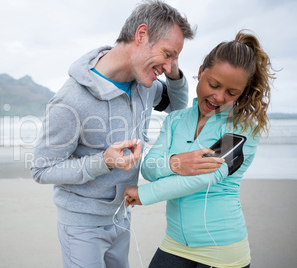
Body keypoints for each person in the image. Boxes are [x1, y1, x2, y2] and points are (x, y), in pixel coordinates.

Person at [31, 1, 198, 267]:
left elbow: (178, 108)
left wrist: (175, 71)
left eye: (174, 58)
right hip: (82, 226)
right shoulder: (70, 100)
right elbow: (41, 169)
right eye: (167, 54)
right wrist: (104, 161)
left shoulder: (146, 85)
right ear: (141, 35)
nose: (168, 67)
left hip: (122, 217)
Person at [124, 29, 276, 267]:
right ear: (200, 72)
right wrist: (177, 162)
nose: (218, 96)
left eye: (231, 93)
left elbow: (204, 177)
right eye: (213, 84)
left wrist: (144, 194)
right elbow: (150, 168)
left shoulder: (244, 128)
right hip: (174, 243)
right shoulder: (175, 120)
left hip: (223, 251)